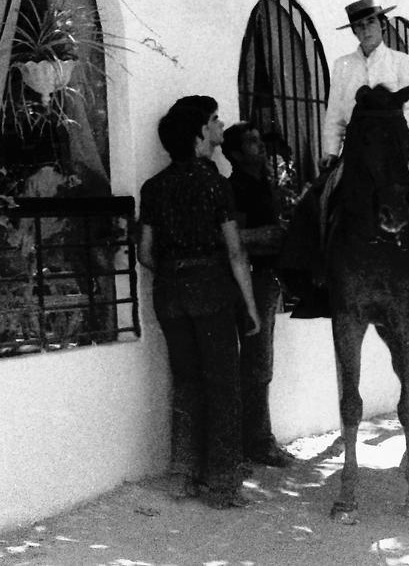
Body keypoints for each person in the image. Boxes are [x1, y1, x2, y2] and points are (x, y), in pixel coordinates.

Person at [137, 97, 260, 510]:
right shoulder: (215, 184)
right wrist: (251, 306)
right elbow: (234, 252)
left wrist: (175, 275)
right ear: (199, 134)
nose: (220, 124)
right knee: (224, 385)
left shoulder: (153, 187)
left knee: (186, 382)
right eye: (213, 120)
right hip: (211, 291)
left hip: (170, 294)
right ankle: (222, 484)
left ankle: (183, 475)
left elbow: (146, 253)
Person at [222, 121, 296, 469]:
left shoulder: (263, 185)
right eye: (251, 142)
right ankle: (256, 441)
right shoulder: (237, 187)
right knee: (256, 363)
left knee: (259, 362)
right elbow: (234, 238)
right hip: (251, 280)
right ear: (235, 153)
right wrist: (270, 234)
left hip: (267, 278)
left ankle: (256, 439)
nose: (260, 147)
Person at [320, 0, 409, 169]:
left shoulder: (401, 61)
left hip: (398, 147)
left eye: (371, 22)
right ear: (354, 31)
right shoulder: (342, 65)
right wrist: (331, 151)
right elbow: (335, 115)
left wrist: (388, 128)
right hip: (355, 149)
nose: (365, 29)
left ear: (382, 24)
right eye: (359, 25)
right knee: (325, 191)